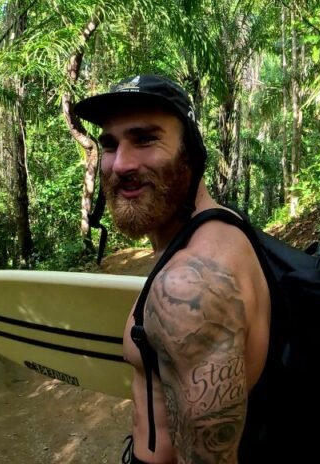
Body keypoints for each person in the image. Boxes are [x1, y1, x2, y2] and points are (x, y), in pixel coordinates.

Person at [73, 74, 274, 464]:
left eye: (145, 139)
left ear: (190, 154)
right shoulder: (221, 227)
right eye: (110, 144)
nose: (121, 164)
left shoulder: (188, 287)